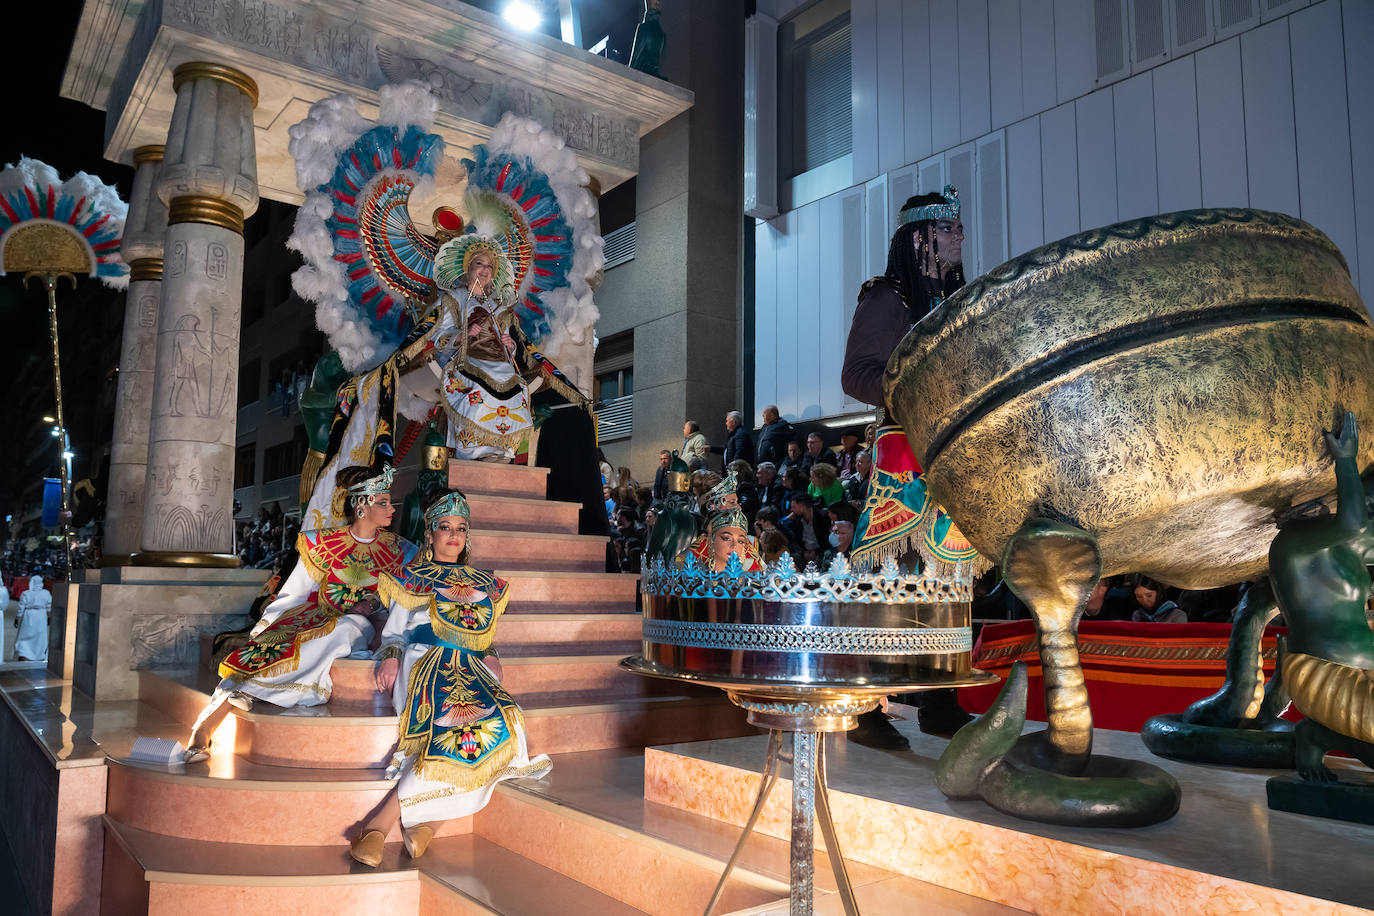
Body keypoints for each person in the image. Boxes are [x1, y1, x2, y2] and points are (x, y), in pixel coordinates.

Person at [841, 185, 981, 746]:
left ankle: (939, 702)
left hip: (950, 454)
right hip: (904, 459)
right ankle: (866, 706)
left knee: (948, 582)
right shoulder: (887, 298)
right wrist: (918, 390)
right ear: (920, 237)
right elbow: (856, 376)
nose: (959, 237)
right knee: (891, 585)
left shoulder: (958, 299)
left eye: (959, 228)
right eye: (947, 229)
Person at [350, 490, 551, 866]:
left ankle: (427, 822)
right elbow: (394, 633)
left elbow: (484, 635)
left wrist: (491, 654)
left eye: (460, 528)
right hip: (423, 661)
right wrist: (391, 657)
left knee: (506, 720)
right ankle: (381, 824)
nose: (453, 534)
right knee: (445, 727)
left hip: (469, 665)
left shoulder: (485, 582)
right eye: (445, 527)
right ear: (430, 534)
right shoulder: (410, 577)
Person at [183, 466, 416, 762]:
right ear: (362, 506)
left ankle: (242, 696)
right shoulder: (319, 543)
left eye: (389, 502)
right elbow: (293, 592)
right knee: (273, 645)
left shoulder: (403, 551)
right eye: (383, 502)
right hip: (313, 617)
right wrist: (267, 628)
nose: (392, 509)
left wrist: (372, 603)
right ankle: (213, 716)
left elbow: (401, 598)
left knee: (345, 627)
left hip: (356, 627)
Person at [424, 237, 587, 461]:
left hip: (499, 362)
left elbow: (507, 342)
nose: (485, 269)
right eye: (479, 263)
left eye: (490, 266)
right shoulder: (454, 299)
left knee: (517, 387)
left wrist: (509, 346)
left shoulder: (499, 307)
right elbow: (438, 337)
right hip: (467, 359)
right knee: (479, 388)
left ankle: (503, 449)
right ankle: (473, 449)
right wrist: (462, 335)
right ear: (468, 267)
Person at [689, 507, 764, 573]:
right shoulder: (691, 573)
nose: (734, 546)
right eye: (726, 538)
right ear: (711, 540)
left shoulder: (751, 579)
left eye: (740, 541)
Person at [780, 493, 830, 569]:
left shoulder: (823, 517)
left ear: (802, 507)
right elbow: (780, 527)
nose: (791, 510)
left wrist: (816, 552)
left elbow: (827, 541)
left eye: (794, 507)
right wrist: (787, 519)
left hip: (820, 553)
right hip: (803, 554)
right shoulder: (796, 519)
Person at [14, 574, 49, 661]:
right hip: (41, 617)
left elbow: (21, 608)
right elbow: (50, 607)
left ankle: (24, 654)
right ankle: (39, 655)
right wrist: (49, 618)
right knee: (39, 637)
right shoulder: (46, 593)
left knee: (25, 636)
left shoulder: (26, 594)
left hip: (28, 616)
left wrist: (17, 618)